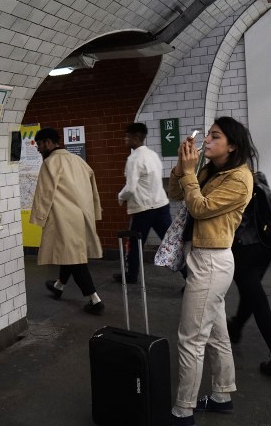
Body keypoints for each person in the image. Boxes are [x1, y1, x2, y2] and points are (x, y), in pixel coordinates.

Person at [167, 117, 254, 426]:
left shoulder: (240, 178)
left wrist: (190, 174)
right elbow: (176, 194)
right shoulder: (210, 169)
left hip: (212, 261)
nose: (207, 140)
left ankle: (183, 409)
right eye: (208, 134)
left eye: (215, 136)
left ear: (231, 145)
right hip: (201, 257)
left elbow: (201, 208)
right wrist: (181, 167)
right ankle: (221, 395)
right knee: (217, 335)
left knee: (190, 338)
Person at [30, 127, 105, 315]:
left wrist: (39, 217)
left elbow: (45, 193)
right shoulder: (78, 161)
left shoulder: (50, 163)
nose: (38, 149)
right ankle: (59, 286)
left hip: (64, 218)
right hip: (82, 216)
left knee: (75, 259)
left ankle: (94, 300)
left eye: (39, 144)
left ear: (48, 143)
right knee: (70, 253)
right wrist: (95, 212)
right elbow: (93, 188)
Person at [228, 171, 271, 381]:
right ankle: (236, 327)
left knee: (257, 300)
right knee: (251, 292)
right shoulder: (255, 176)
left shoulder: (228, 181)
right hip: (265, 246)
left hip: (244, 248)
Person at [115, 123, 185, 284]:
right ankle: (189, 276)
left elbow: (131, 187)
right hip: (161, 205)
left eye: (128, 136)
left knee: (134, 243)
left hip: (144, 209)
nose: (125, 139)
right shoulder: (152, 155)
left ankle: (132, 275)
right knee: (169, 243)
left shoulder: (134, 158)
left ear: (136, 137)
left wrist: (120, 197)